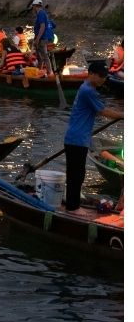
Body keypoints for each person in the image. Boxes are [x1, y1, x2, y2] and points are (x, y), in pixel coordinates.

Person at [62, 61, 123, 212]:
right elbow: (104, 111)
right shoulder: (87, 91)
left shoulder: (87, 88)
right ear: (91, 74)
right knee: (76, 175)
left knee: (77, 174)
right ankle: (73, 207)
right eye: (101, 76)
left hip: (78, 139)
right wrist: (124, 115)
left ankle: (73, 204)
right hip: (77, 140)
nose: (103, 79)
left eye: (105, 76)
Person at [30, 0, 56, 75]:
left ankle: (49, 72)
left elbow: (42, 27)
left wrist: (37, 39)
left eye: (33, 6)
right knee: (40, 56)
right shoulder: (43, 13)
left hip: (41, 39)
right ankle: (39, 70)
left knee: (44, 56)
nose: (33, 8)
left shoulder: (41, 14)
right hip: (42, 38)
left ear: (35, 6)